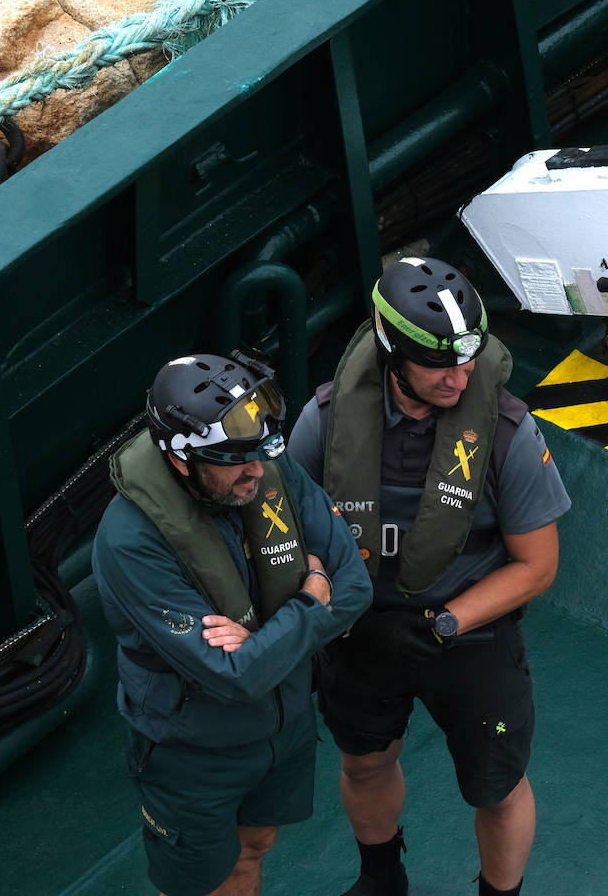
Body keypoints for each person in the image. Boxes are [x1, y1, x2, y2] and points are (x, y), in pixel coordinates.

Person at [287, 257, 571, 896]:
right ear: (391, 354)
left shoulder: (506, 434)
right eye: (442, 363)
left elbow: (538, 566)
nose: (462, 375)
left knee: (497, 788)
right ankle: (382, 878)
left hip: (466, 635)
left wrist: (445, 623)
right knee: (363, 764)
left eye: (469, 358)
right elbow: (294, 532)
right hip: (359, 635)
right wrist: (330, 609)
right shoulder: (327, 423)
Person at [93, 350, 373, 896]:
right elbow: (234, 676)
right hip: (193, 752)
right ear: (180, 460)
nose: (256, 471)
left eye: (262, 452)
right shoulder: (130, 543)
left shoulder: (261, 460)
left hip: (285, 726)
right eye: (233, 460)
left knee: (256, 845)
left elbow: (356, 585)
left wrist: (263, 641)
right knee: (201, 884)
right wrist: (311, 602)